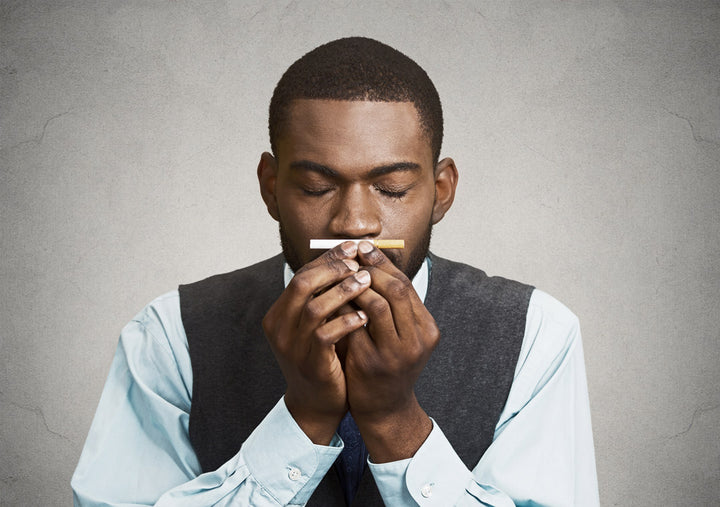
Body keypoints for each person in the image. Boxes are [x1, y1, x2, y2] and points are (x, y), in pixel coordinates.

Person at [72, 37, 599, 506]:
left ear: (441, 192)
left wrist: (396, 422)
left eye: (392, 188)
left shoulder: (536, 333)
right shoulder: (169, 335)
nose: (355, 222)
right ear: (270, 187)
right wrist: (302, 418)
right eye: (316, 188)